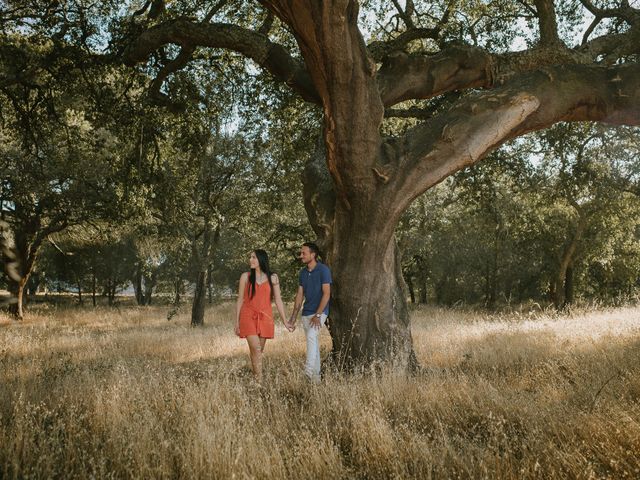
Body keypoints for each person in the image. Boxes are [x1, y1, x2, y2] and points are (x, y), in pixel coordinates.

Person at [235, 249, 291, 382]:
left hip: (266, 317)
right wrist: (237, 322)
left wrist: (285, 321)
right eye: (250, 257)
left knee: (258, 351)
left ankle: (256, 379)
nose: (250, 260)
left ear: (261, 259)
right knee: (256, 347)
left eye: (253, 257)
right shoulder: (245, 277)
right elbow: (240, 299)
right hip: (248, 315)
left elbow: (278, 300)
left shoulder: (273, 278)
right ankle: (259, 381)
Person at [289, 242, 332, 383]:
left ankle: (307, 372)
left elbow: (326, 294)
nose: (301, 255)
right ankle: (316, 380)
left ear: (313, 255)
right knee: (313, 345)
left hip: (319, 313)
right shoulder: (303, 273)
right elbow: (300, 295)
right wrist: (293, 317)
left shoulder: (323, 270)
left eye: (304, 253)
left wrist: (318, 315)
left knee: (312, 338)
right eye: (301, 253)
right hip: (306, 313)